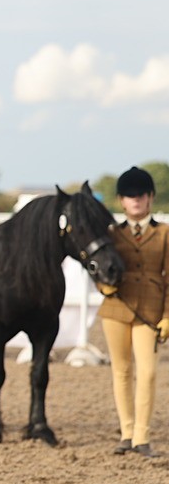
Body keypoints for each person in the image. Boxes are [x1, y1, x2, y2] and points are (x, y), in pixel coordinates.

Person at [96, 166, 169, 458]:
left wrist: (168, 315)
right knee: (122, 371)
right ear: (121, 201)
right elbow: (96, 265)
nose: (136, 200)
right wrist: (103, 287)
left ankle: (142, 436)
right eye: (130, 196)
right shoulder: (111, 234)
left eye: (140, 195)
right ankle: (126, 433)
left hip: (150, 312)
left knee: (148, 373)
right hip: (116, 309)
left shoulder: (164, 233)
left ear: (150, 197)